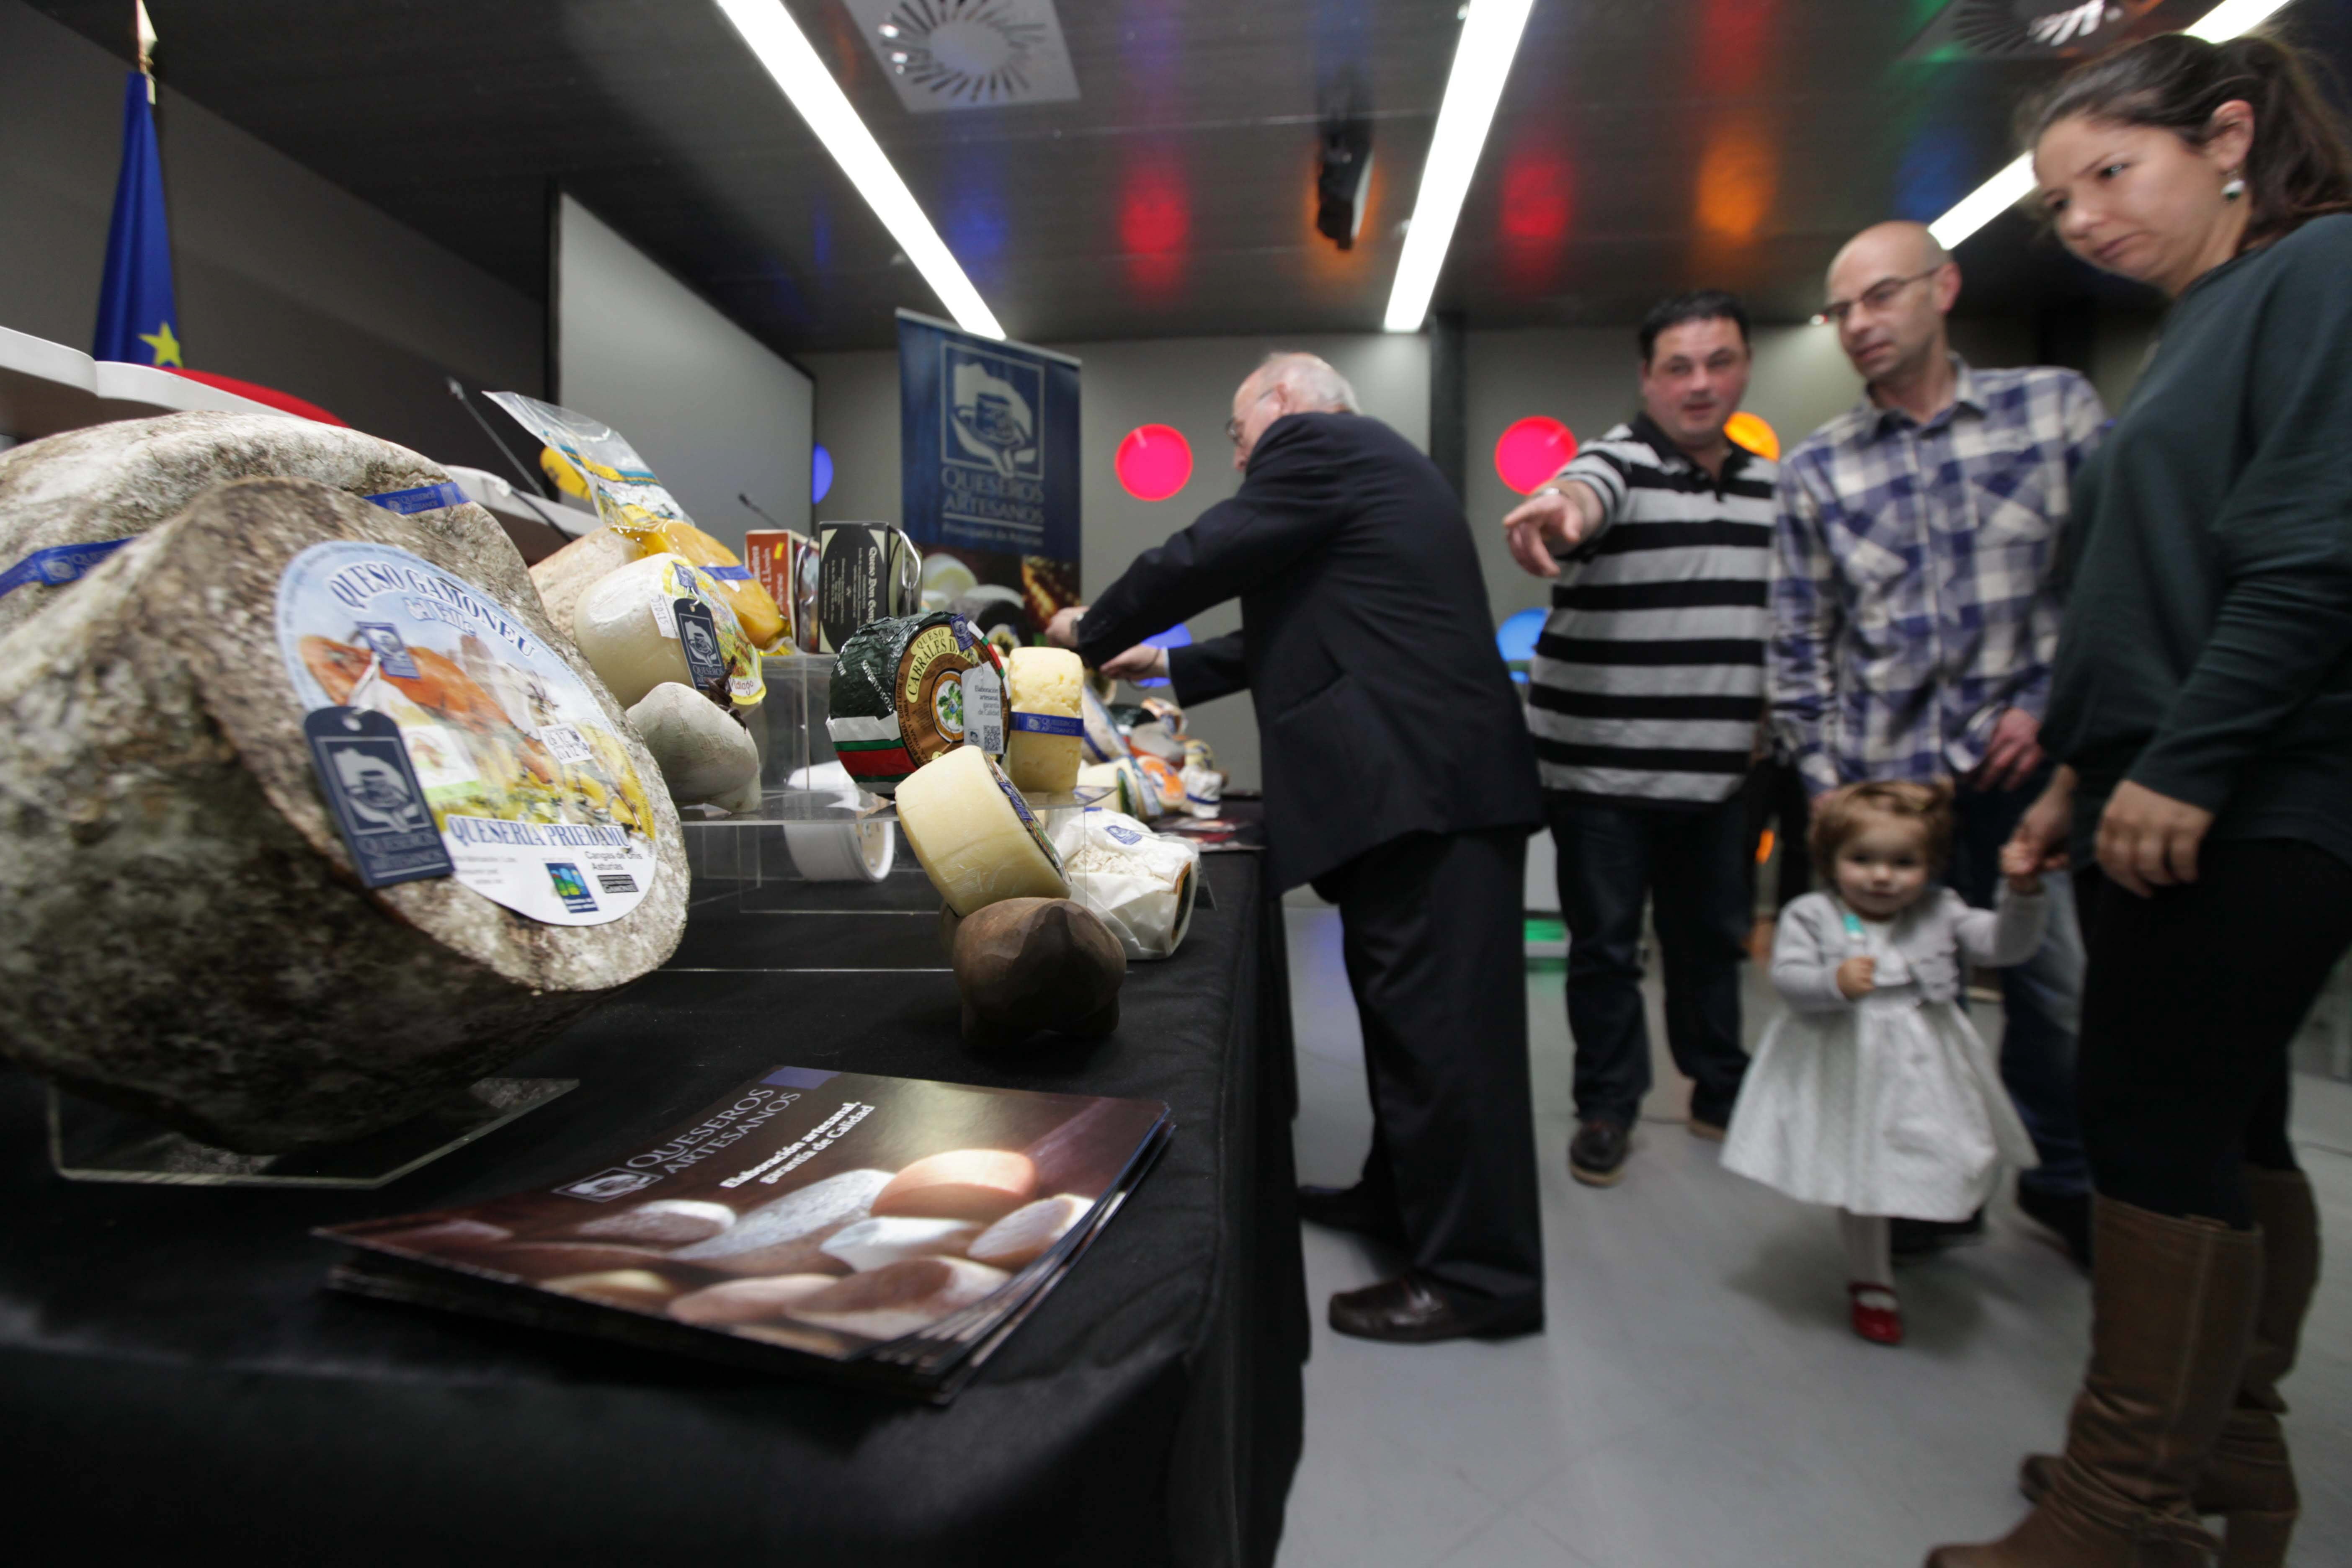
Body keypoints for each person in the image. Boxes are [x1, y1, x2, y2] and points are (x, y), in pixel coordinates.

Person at [1929, 31, 2352, 1568]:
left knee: (2147, 1127)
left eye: (2110, 172)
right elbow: (2159, 588)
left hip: (2251, 793)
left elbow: (2313, 551)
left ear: (2227, 136)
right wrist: (2083, 776)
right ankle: (2224, 1464)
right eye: (2057, 201)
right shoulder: (2208, 317)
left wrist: (2179, 761)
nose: (2085, 218)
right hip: (2165, 781)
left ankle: (2119, 1510)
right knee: (2230, 1132)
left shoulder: (2318, 277)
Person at [1047, 353, 1546, 1344]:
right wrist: (1170, 662)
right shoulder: (1368, 470)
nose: (1240, 460)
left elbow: (1205, 554)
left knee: (1449, 1043)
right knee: (1414, 1025)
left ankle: (1482, 1280)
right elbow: (1304, 630)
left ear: (1279, 405)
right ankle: (1398, 1201)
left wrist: (1090, 631)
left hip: (1422, 789)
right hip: (1415, 790)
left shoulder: (1318, 444)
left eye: (1236, 436)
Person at [1773, 220, 2105, 1264]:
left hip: (2029, 770)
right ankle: (1930, 1186)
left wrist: (2052, 701)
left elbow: (2110, 584)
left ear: (1944, 287)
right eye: (1843, 311)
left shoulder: (2053, 411)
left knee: (2054, 986)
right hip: (1888, 788)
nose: (1861, 325)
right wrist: (1828, 788)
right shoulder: (1820, 468)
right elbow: (1799, 641)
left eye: (1881, 297)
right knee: (1915, 1002)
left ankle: (2068, 1177)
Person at [1501, 291, 1776, 1187]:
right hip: (1601, 776)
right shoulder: (1616, 460)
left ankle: (1719, 1091)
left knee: (1711, 946)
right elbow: (1582, 497)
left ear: (1742, 368)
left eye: (1719, 362)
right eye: (1678, 367)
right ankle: (1608, 1106)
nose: (1700, 385)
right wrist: (1561, 517)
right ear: (1647, 379)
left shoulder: (1777, 489)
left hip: (1716, 780)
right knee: (1606, 950)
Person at [1721, 781, 2046, 1348]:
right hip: (1849, 1063)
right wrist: (1833, 983)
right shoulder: (1812, 914)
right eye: (1862, 859)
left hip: (1924, 1059)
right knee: (1863, 1168)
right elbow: (1788, 980)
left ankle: (1931, 1220)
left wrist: (2022, 894)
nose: (1881, 876)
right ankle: (1872, 1279)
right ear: (1830, 858)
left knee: (1946, 1148)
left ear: (1932, 864)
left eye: (1904, 863)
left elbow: (2004, 946)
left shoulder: (1941, 910)